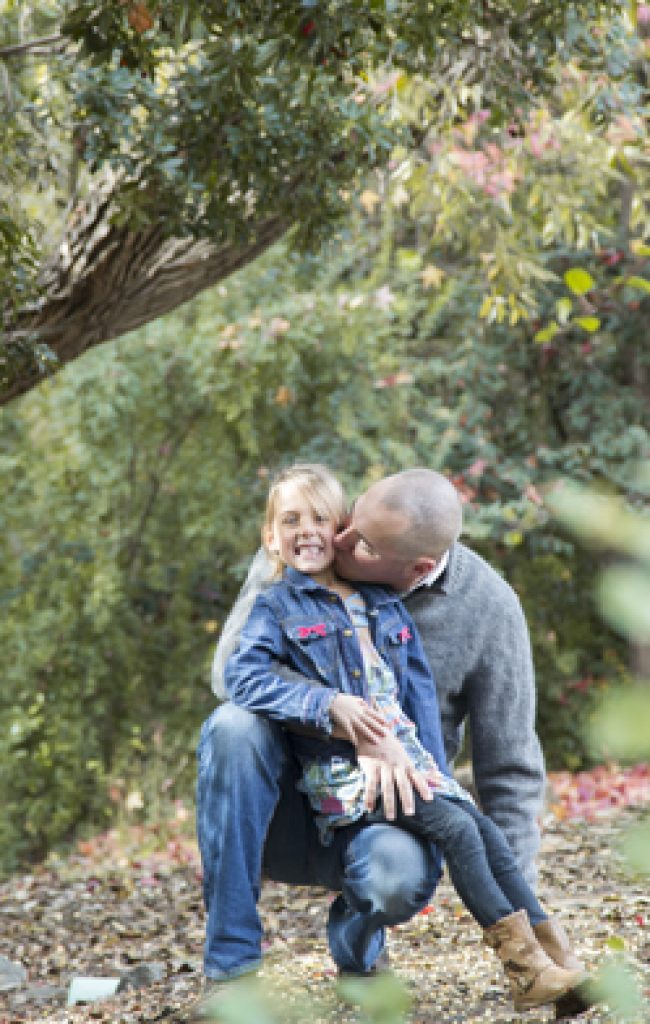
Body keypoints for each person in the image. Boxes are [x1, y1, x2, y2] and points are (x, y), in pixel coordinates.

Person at [196, 464, 586, 1014]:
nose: (338, 541)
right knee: (232, 727)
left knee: (463, 836)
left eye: (357, 540)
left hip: (392, 802)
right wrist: (335, 712)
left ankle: (545, 959)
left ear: (415, 569)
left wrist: (417, 761)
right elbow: (231, 676)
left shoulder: (447, 606)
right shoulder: (294, 568)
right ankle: (232, 967)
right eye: (348, 522)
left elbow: (497, 757)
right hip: (298, 792)